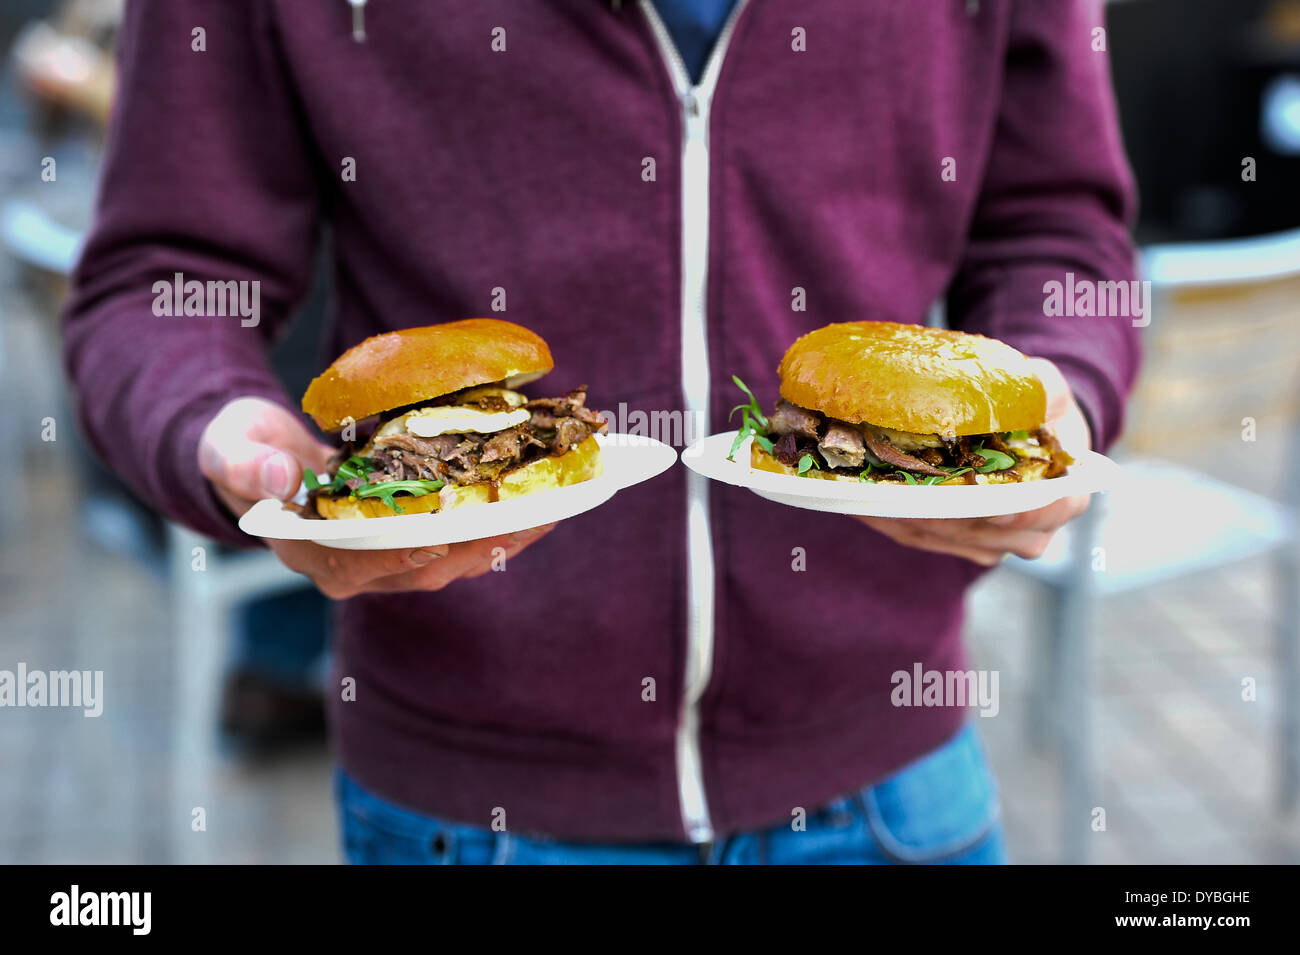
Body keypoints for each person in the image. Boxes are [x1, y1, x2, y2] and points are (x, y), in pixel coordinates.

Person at [63, 0, 1139, 864]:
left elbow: (1060, 228)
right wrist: (217, 430)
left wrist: (1059, 392)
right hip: (469, 809)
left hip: (897, 781)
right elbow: (160, 279)